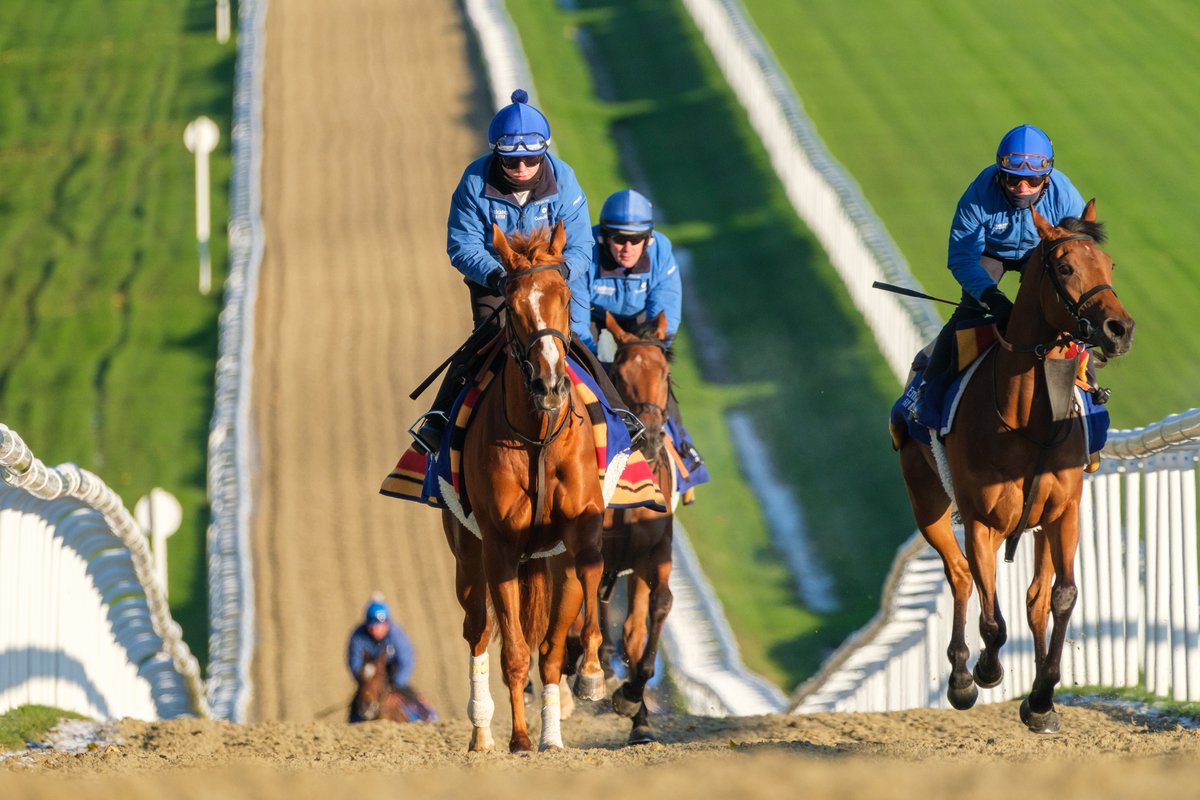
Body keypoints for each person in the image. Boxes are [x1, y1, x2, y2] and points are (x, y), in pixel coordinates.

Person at [410, 89, 637, 455]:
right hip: (498, 280)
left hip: (552, 281)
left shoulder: (565, 180)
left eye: (531, 160)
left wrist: (556, 272)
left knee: (572, 338)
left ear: (543, 152)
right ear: (495, 154)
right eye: (512, 161)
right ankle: (438, 419)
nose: (521, 169)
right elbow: (462, 245)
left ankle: (620, 415)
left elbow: (581, 246)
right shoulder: (473, 182)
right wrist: (500, 277)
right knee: (485, 340)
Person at [914, 123, 1105, 420]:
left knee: (1068, 315)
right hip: (991, 254)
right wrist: (993, 297)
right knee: (971, 310)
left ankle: (1092, 392)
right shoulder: (978, 194)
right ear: (1001, 173)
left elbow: (1081, 254)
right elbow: (963, 258)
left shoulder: (1065, 195)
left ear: (1047, 176)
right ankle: (930, 390)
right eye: (1014, 180)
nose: (1023, 189)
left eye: (1033, 181)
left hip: (1040, 254)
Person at [570, 189, 702, 472]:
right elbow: (577, 323)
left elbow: (666, 314)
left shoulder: (661, 252)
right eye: (619, 239)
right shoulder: (584, 249)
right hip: (591, 317)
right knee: (584, 373)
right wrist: (599, 364)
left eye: (636, 239)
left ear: (648, 238)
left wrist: (647, 352)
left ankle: (682, 445)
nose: (627, 247)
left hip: (640, 323)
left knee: (655, 373)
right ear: (605, 236)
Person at [347, 598, 415, 723]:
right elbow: (354, 663)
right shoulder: (358, 636)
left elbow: (406, 661)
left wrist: (396, 684)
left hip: (392, 675)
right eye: (371, 624)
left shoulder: (397, 635)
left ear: (387, 623)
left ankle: (425, 717)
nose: (374, 628)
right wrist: (366, 680)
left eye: (379, 624)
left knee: (414, 702)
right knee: (356, 707)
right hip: (369, 678)